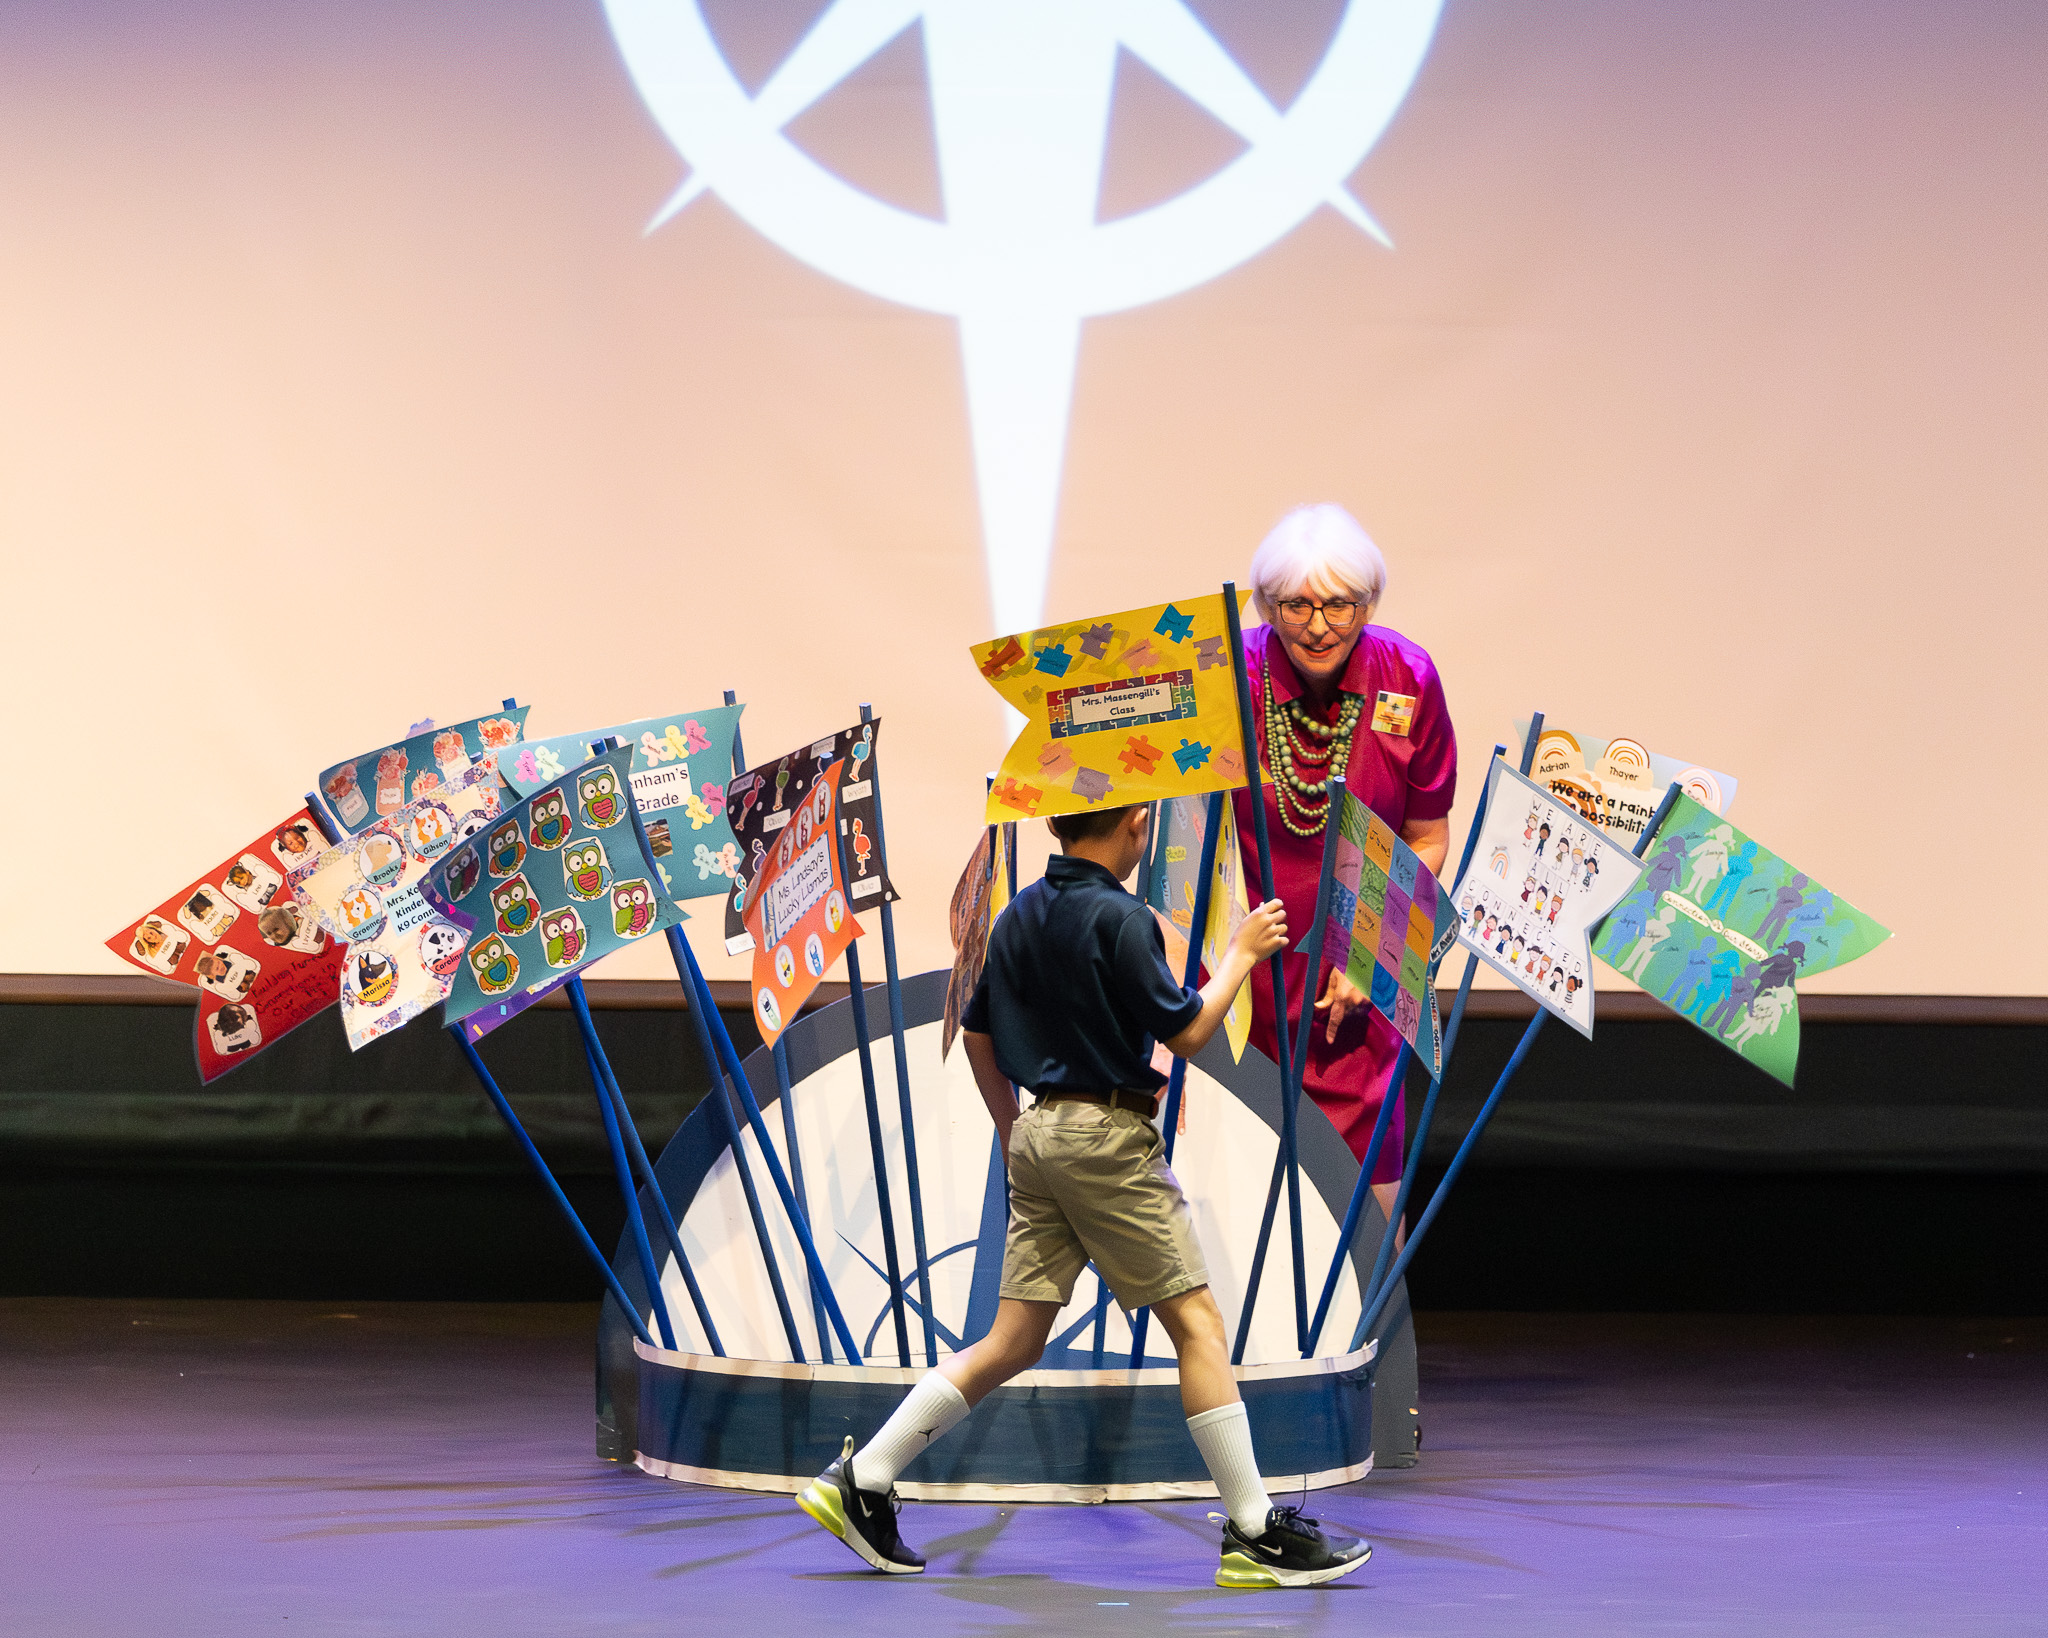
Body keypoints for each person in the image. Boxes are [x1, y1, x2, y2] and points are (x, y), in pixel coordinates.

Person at [796, 802, 1372, 1589]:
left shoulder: (1020, 913)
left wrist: (1013, 1135)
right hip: (1107, 1141)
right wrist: (1238, 954)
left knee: (1014, 1340)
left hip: (1038, 1135)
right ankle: (1253, 1531)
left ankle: (863, 1479)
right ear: (1137, 821)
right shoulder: (1123, 917)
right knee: (1199, 1326)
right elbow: (1189, 1033)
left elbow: (976, 1033)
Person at [1233, 506, 1458, 1232]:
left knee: (1365, 1192)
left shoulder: (1409, 676)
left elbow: (1427, 837)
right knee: (1240, 1178)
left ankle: (1369, 1337)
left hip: (1354, 979)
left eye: (1340, 604)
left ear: (1369, 604)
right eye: (1296, 604)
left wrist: (1373, 953)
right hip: (1243, 974)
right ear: (1267, 605)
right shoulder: (1227, 677)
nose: (1320, 625)